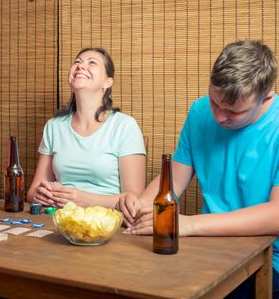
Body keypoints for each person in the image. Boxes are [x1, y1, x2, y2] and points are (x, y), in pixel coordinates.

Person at [117, 40, 279, 298]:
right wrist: (143, 204)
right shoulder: (199, 110)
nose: (218, 116)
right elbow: (173, 180)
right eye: (215, 102)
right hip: (207, 247)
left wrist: (190, 225)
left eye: (233, 111)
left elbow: (276, 215)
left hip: (269, 258)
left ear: (266, 97)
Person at [27, 47, 146, 208]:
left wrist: (84, 200)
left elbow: (134, 199)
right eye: (77, 62)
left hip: (107, 224)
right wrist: (41, 195)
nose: (81, 66)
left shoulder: (125, 126)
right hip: (61, 219)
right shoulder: (54, 126)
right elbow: (33, 192)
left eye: (92, 63)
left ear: (107, 82)